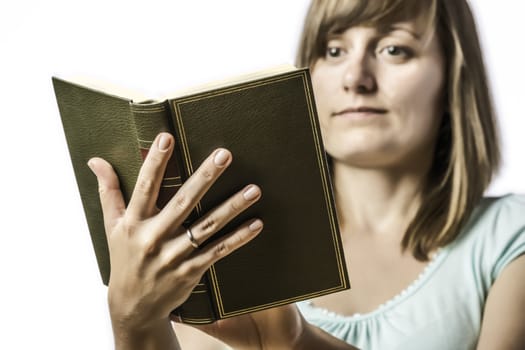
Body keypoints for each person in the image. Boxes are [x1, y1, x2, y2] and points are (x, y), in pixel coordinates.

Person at [87, 0, 525, 349]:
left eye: (394, 49)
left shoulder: (510, 236)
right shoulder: (232, 237)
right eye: (334, 51)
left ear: (454, 76)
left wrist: (295, 343)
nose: (356, 78)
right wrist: (133, 322)